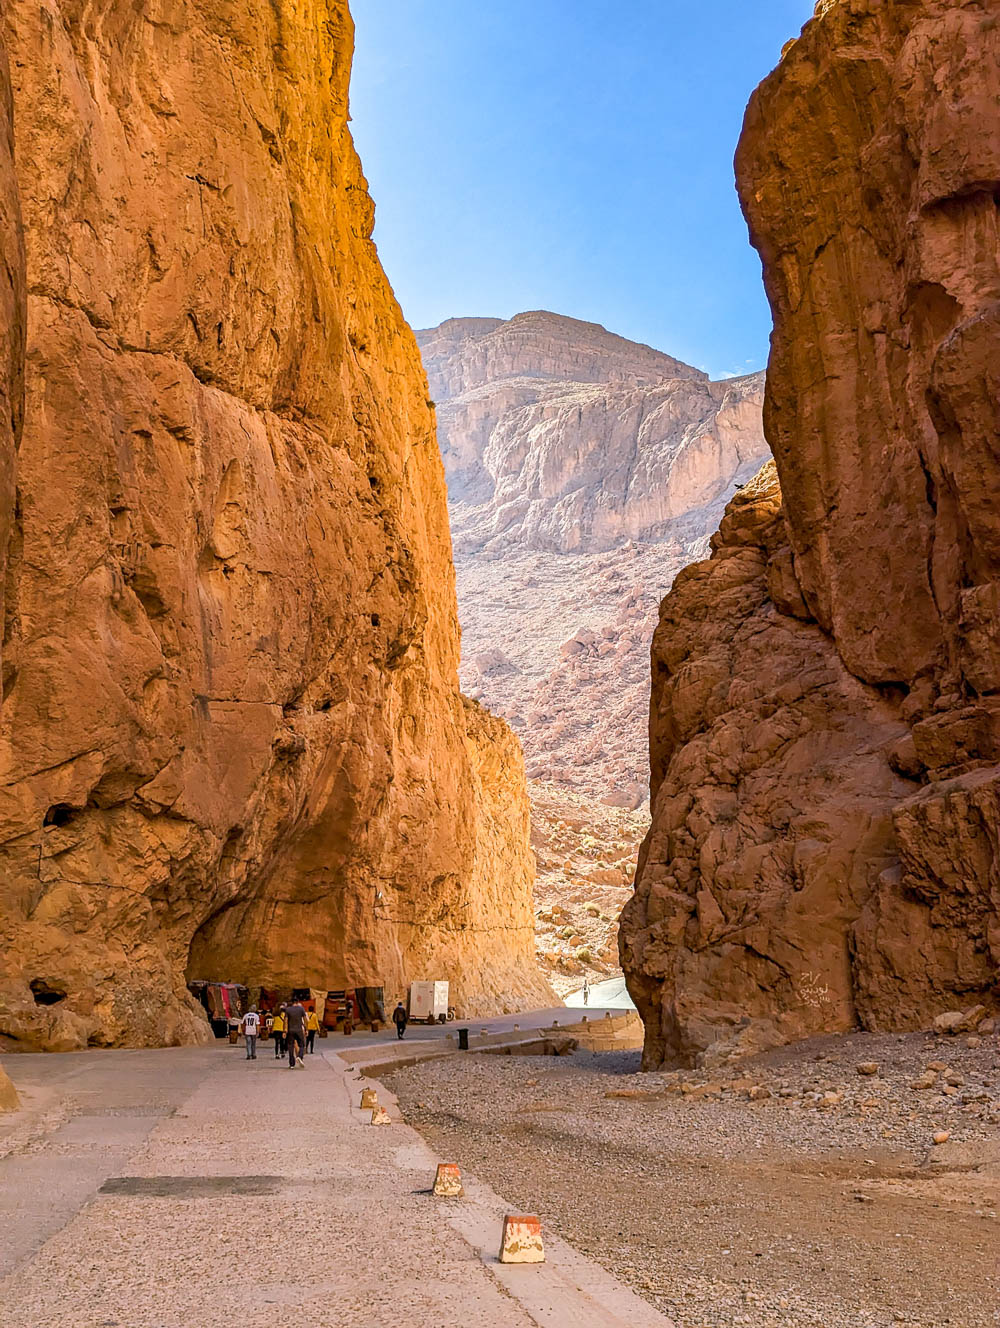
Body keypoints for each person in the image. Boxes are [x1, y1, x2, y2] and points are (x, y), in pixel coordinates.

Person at [285, 998, 307, 1068]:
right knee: (302, 1045)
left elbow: (285, 1021)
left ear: (292, 1003)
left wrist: (285, 1030)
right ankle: (299, 1056)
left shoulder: (288, 1010)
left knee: (290, 1046)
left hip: (290, 1030)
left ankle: (292, 1064)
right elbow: (305, 1019)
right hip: (299, 1030)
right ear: (297, 1002)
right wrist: (306, 1029)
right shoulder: (301, 1009)